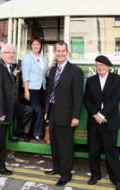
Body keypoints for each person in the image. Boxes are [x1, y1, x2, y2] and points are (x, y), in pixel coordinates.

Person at [0, 44, 33, 175]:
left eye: (13, 53)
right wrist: (0, 112)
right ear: (2, 54)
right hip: (1, 111)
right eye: (8, 53)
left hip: (10, 106)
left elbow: (6, 82)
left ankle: (17, 133)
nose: (11, 55)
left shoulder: (6, 67)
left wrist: (13, 75)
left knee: (28, 111)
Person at [44, 41, 83, 186]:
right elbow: (50, 92)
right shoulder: (53, 70)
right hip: (53, 111)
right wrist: (46, 111)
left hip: (67, 115)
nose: (60, 53)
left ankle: (66, 174)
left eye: (63, 51)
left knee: (65, 146)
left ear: (67, 52)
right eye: (58, 51)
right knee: (54, 143)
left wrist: (75, 116)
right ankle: (57, 168)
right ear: (55, 52)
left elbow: (78, 96)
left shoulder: (75, 71)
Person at [84, 55, 120, 190]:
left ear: (108, 66)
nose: (99, 68)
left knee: (111, 151)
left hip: (110, 121)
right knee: (93, 150)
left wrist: (102, 114)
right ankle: (95, 175)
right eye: (97, 65)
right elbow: (87, 100)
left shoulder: (117, 80)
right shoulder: (90, 81)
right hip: (94, 121)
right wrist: (96, 114)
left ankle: (116, 179)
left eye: (101, 65)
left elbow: (115, 100)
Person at [22, 38, 49, 142]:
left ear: (40, 46)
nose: (36, 46)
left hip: (41, 87)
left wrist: (51, 68)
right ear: (31, 46)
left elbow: (45, 74)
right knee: (37, 110)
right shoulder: (27, 58)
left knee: (40, 110)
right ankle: (37, 134)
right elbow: (25, 74)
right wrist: (26, 91)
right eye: (34, 44)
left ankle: (33, 132)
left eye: (38, 44)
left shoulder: (43, 58)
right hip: (31, 88)